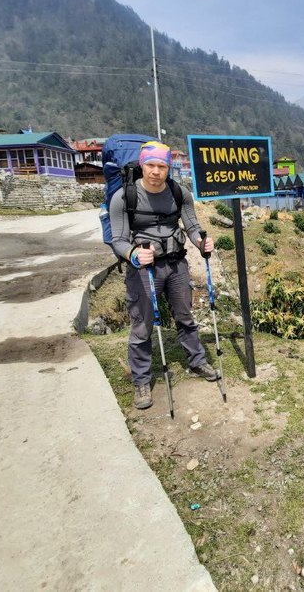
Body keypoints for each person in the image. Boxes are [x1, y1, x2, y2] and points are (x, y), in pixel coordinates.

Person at [109, 140, 217, 410]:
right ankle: (141, 380)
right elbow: (118, 239)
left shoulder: (180, 193)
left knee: (185, 316)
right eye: (151, 165)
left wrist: (201, 242)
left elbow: (192, 226)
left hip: (176, 264)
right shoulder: (123, 197)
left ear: (168, 168)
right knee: (142, 325)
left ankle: (197, 361)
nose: (156, 171)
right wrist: (133, 254)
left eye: (162, 166)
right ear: (142, 165)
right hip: (143, 268)